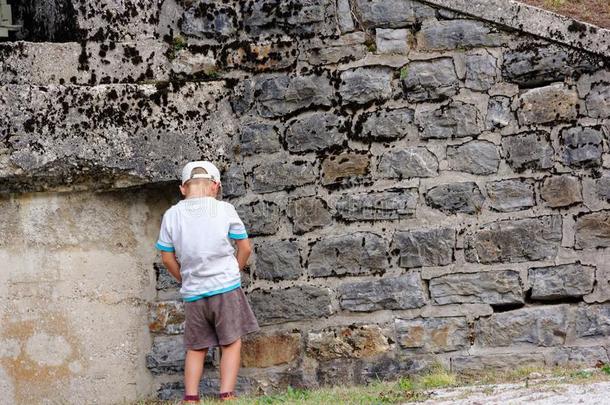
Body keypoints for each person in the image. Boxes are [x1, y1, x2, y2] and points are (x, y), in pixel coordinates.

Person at [155, 161, 260, 403]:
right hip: (225, 287)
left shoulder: (171, 215)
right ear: (216, 186)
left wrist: (184, 278)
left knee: (196, 346)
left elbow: (167, 256)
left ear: (183, 188)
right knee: (231, 342)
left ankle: (191, 398)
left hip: (194, 293)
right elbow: (244, 247)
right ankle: (227, 394)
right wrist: (235, 269)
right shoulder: (225, 210)